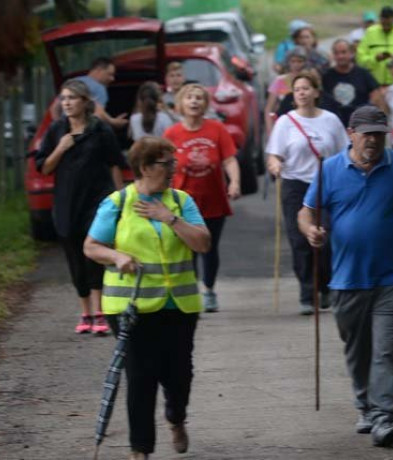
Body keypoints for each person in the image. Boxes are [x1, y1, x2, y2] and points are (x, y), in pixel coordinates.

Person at [298, 105, 393, 448]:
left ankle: (384, 417)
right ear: (351, 133)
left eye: (380, 134)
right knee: (357, 349)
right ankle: (364, 404)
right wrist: (312, 231)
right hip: (346, 280)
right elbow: (306, 212)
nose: (374, 141)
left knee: (385, 350)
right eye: (367, 134)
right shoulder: (330, 170)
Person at [84, 137, 210, 460]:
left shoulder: (181, 202)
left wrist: (168, 217)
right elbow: (91, 246)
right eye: (166, 164)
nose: (172, 170)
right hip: (130, 307)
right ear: (144, 167)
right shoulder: (118, 202)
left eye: (174, 164)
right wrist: (116, 256)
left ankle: (176, 417)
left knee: (179, 373)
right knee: (141, 375)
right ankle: (140, 449)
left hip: (179, 305)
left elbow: (202, 243)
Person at [35, 79, 126, 335]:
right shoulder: (56, 131)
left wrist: (120, 199)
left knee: (93, 252)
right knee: (74, 256)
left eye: (72, 98)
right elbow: (44, 167)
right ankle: (85, 310)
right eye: (63, 99)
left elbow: (114, 164)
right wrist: (61, 148)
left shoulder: (101, 130)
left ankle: (99, 312)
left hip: (97, 201)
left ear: (85, 102)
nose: (66, 103)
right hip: (66, 202)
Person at [266, 70, 348, 315]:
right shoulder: (285, 122)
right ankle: (306, 292)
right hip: (295, 185)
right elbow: (274, 154)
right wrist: (274, 165)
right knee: (300, 239)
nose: (301, 92)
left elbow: (344, 153)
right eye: (297, 89)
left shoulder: (331, 120)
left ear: (316, 92)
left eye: (305, 88)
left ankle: (325, 286)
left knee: (325, 237)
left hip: (325, 185)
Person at [163, 84, 241, 313]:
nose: (194, 102)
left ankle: (209, 290)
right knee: (187, 248)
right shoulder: (172, 134)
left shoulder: (217, 129)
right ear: (181, 103)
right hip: (182, 203)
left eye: (199, 98)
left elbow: (229, 160)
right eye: (189, 97)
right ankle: (191, 290)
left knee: (209, 247)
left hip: (213, 200)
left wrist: (235, 181)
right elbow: (162, 165)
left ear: (206, 104)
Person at [321, 39, 381, 127]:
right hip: (336, 124)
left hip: (360, 125)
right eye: (337, 53)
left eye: (343, 52)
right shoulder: (327, 76)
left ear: (352, 53)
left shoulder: (363, 74)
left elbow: (376, 95)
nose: (340, 56)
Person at [356, 6, 393, 86]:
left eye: (389, 23)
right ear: (380, 19)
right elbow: (360, 59)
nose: (386, 26)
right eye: (383, 23)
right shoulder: (370, 33)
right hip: (374, 84)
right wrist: (375, 59)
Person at [265, 46, 309, 136]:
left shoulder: (310, 80)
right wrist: (271, 132)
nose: (296, 65)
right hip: (284, 128)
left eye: (299, 61)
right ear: (288, 63)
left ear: (305, 63)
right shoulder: (279, 81)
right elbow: (269, 109)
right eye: (293, 61)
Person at [75, 57, 128, 129]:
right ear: (99, 70)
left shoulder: (73, 82)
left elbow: (55, 107)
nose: (112, 79)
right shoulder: (99, 88)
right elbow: (98, 115)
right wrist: (114, 122)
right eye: (109, 74)